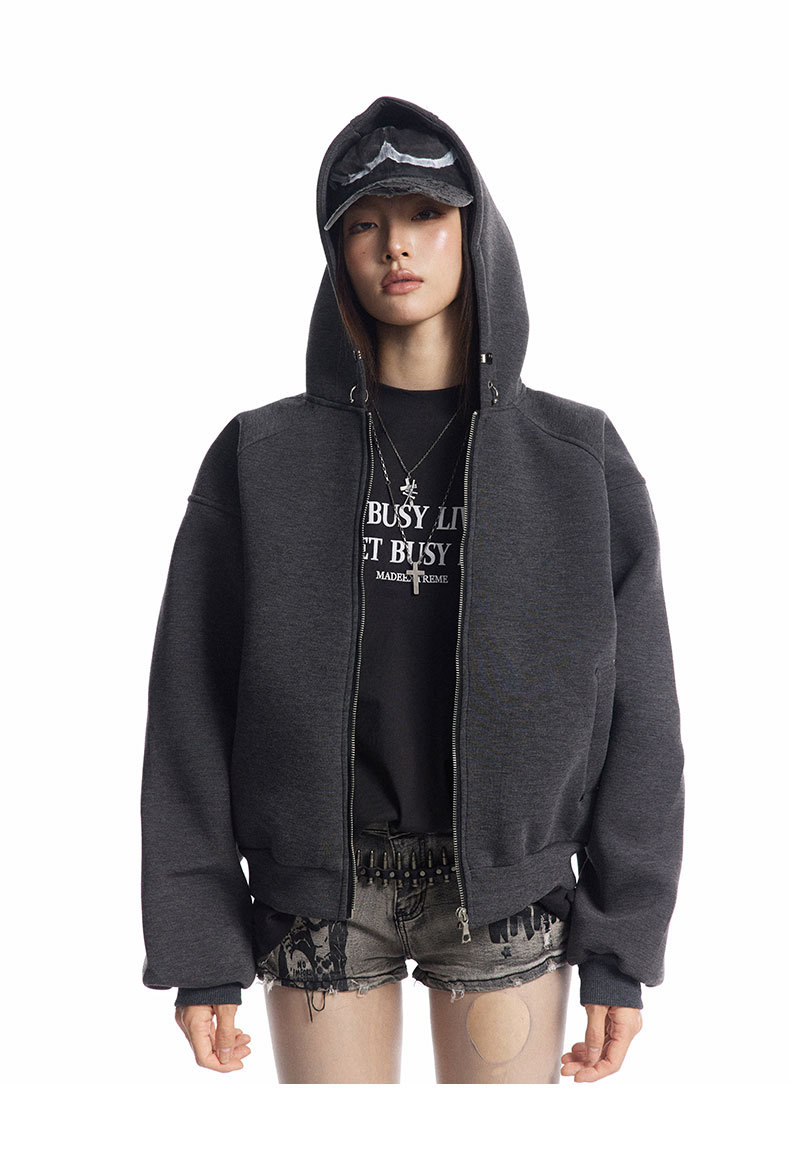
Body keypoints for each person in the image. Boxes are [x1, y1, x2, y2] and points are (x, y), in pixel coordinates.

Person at [140, 95, 684, 1084]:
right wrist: (200, 942)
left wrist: (620, 942)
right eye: (364, 223)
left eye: (425, 215)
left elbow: (642, 711)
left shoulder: (576, 459)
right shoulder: (260, 456)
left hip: (508, 894)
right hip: (319, 892)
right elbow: (189, 704)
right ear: (336, 252)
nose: (395, 244)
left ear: (475, 233)